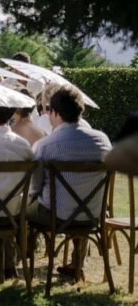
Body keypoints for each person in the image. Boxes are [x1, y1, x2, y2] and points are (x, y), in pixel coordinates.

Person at [27, 85, 112, 279]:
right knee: (79, 201)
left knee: (23, 208)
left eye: (49, 111)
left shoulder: (46, 145)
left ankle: (21, 258)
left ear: (55, 113)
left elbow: (35, 186)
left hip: (55, 215)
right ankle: (77, 263)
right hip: (93, 215)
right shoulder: (103, 141)